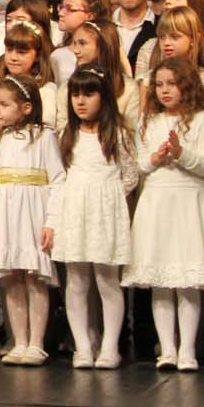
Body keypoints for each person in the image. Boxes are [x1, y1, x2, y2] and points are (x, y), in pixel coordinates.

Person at [125, 58, 204, 371]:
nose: (164, 90)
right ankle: (167, 349)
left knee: (186, 280)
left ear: (187, 85)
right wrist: (154, 159)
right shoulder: (149, 121)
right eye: (159, 84)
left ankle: (187, 350)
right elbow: (137, 165)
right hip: (156, 201)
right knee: (161, 280)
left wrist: (181, 154)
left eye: (172, 83)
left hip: (188, 202)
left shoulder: (203, 119)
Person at [52, 67, 139, 368]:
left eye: (88, 94)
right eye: (75, 94)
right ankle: (83, 346)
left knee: (107, 280)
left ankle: (110, 347)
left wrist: (107, 197)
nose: (80, 100)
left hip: (105, 213)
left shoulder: (118, 133)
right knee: (76, 281)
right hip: (74, 212)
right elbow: (60, 177)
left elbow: (130, 175)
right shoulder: (67, 134)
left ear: (104, 97)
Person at [0, 76, 64, 367]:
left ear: (26, 107)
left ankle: (36, 343)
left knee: (33, 277)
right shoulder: (1, 138)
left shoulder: (43, 136)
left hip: (33, 213)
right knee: (12, 278)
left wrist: (51, 221)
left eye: (4, 105)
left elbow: (57, 178)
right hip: (7, 214)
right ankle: (18, 341)